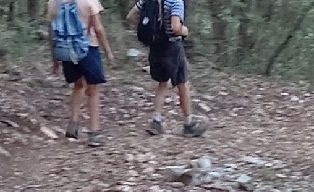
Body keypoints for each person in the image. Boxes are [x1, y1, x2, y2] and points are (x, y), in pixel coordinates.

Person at [126, 0, 200, 137]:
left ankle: (156, 120)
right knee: (182, 83)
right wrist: (185, 31)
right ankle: (188, 123)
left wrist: (151, 29)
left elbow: (130, 16)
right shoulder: (175, 2)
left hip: (155, 48)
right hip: (172, 47)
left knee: (162, 83)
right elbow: (176, 28)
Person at [47, 0, 114, 146]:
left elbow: (51, 32)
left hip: (65, 49)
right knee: (94, 89)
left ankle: (73, 123)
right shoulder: (89, 1)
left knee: (78, 84)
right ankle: (94, 132)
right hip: (88, 47)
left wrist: (55, 60)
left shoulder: (53, 2)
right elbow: (98, 28)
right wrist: (108, 51)